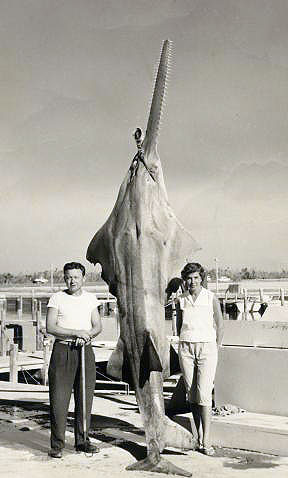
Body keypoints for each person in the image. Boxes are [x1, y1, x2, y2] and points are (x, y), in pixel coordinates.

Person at [46, 261, 102, 458]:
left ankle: (82, 441)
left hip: (85, 350)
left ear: (83, 278)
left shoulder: (90, 298)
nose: (72, 281)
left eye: (76, 277)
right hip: (63, 351)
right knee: (59, 400)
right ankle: (57, 445)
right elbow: (51, 327)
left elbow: (97, 326)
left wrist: (87, 335)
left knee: (84, 398)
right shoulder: (57, 298)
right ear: (65, 278)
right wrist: (74, 333)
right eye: (68, 277)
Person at [177, 262, 224, 456]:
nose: (192, 281)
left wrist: (216, 346)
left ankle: (207, 441)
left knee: (204, 394)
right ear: (185, 280)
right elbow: (179, 326)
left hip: (207, 348)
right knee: (192, 394)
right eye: (189, 278)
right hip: (186, 348)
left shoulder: (210, 297)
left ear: (201, 278)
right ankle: (197, 437)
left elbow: (220, 324)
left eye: (196, 277)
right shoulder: (181, 299)